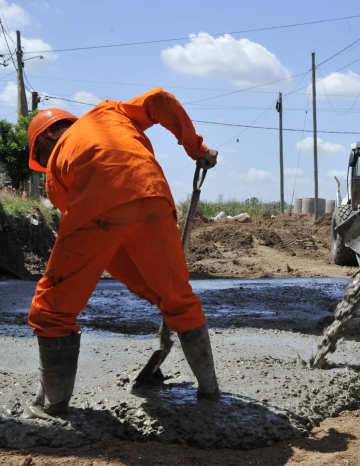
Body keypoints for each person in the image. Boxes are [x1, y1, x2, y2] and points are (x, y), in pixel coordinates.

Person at [26, 87, 220, 415]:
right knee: (180, 300)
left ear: (44, 145)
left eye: (42, 159)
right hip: (153, 193)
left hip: (99, 203)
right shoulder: (109, 112)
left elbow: (105, 250)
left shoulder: (56, 174)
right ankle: (210, 392)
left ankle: (53, 405)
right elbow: (160, 100)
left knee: (53, 310)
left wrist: (146, 288)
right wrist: (195, 148)